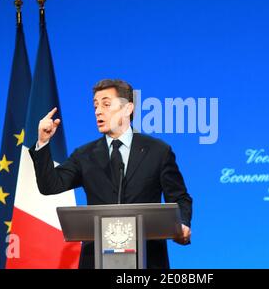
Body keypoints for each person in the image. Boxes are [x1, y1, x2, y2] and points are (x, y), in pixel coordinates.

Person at [29, 79, 192, 269]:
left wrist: (182, 224)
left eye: (106, 104)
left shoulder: (158, 151)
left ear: (128, 108)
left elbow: (180, 197)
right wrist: (43, 142)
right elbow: (50, 185)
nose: (98, 111)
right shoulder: (84, 155)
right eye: (95, 105)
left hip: (148, 259)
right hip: (96, 260)